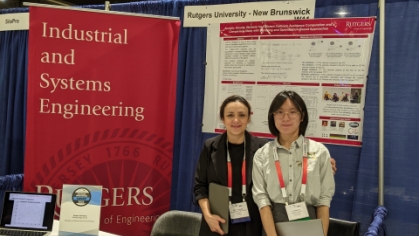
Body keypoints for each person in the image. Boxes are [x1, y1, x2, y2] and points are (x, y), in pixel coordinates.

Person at [194, 95, 337, 236]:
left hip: (252, 223)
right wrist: (207, 215)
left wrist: (321, 165)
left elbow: (292, 161)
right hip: (220, 221)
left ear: (248, 118)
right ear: (222, 118)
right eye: (230, 115)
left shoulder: (261, 148)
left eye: (242, 115)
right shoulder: (211, 147)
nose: (236, 120)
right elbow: (199, 186)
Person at [252, 91, 335, 236]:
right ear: (273, 116)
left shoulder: (319, 152)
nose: (286, 118)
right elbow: (262, 200)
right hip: (274, 223)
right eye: (279, 112)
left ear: (302, 116)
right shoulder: (262, 155)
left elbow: (324, 200)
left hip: (309, 221)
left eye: (292, 112)